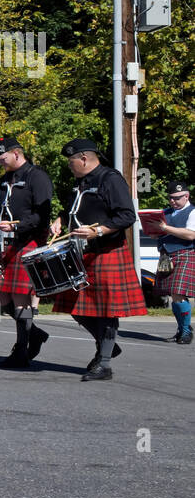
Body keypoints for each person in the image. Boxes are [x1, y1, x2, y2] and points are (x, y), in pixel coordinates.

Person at [48, 139, 150, 380]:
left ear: (84, 158)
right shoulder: (80, 182)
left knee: (106, 310)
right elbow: (73, 208)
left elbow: (127, 215)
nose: (69, 166)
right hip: (82, 252)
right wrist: (60, 219)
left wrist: (99, 231)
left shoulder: (110, 179)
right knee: (74, 306)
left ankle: (104, 364)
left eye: (71, 161)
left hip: (107, 251)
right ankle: (108, 346)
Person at [0, 137, 54, 368]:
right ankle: (34, 333)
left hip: (28, 241)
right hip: (6, 244)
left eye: (3, 158)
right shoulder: (5, 179)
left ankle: (22, 349)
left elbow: (42, 215)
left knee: (20, 299)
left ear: (16, 154)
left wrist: (16, 226)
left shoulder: (37, 177)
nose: (1, 163)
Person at [155, 180, 193, 344]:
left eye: (177, 198)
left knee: (178, 293)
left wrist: (164, 228)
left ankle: (186, 331)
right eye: (171, 198)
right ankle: (182, 328)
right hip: (166, 256)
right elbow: (157, 233)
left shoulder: (192, 212)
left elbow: (191, 235)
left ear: (186, 196)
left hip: (186, 254)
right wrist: (154, 231)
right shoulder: (165, 212)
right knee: (173, 295)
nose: (173, 201)